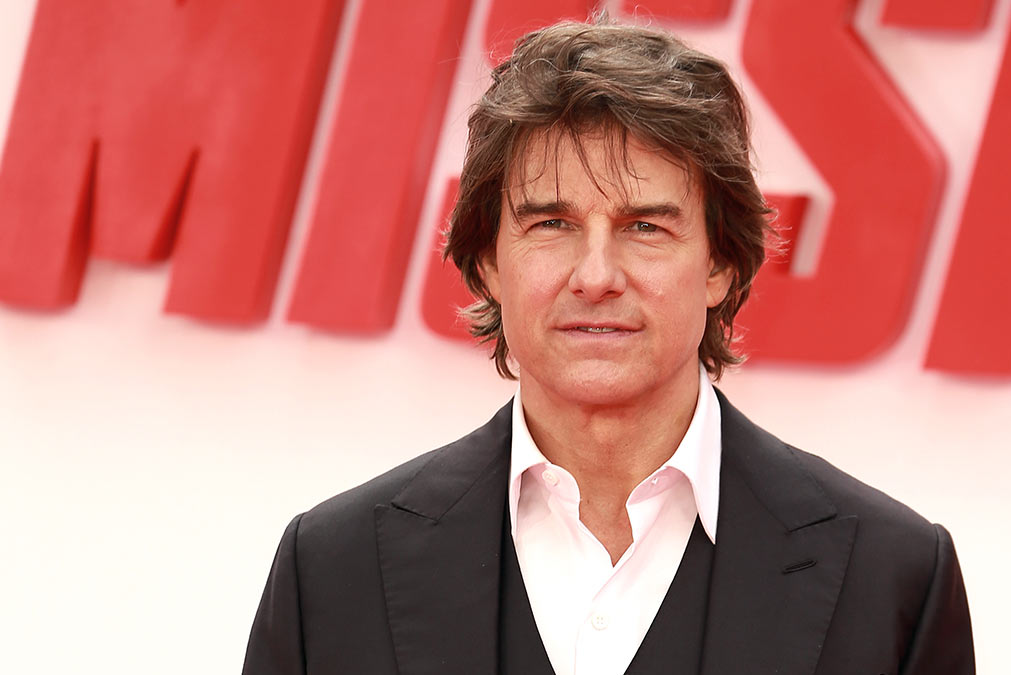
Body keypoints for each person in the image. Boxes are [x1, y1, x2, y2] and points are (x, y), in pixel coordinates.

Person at [243, 15, 973, 675]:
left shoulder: (893, 578)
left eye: (645, 227)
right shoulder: (331, 571)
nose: (596, 276)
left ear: (720, 263)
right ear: (488, 261)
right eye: (551, 224)